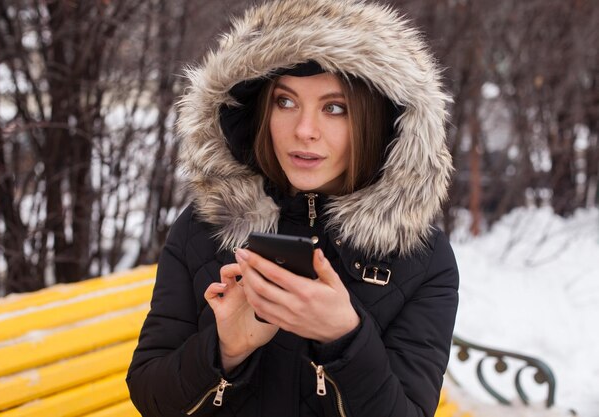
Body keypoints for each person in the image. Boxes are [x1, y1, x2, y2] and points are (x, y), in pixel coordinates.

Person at [127, 0, 459, 416]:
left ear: (380, 121)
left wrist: (345, 337)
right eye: (285, 102)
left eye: (334, 108)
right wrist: (227, 348)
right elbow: (150, 397)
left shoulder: (421, 259)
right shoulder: (205, 227)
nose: (304, 131)